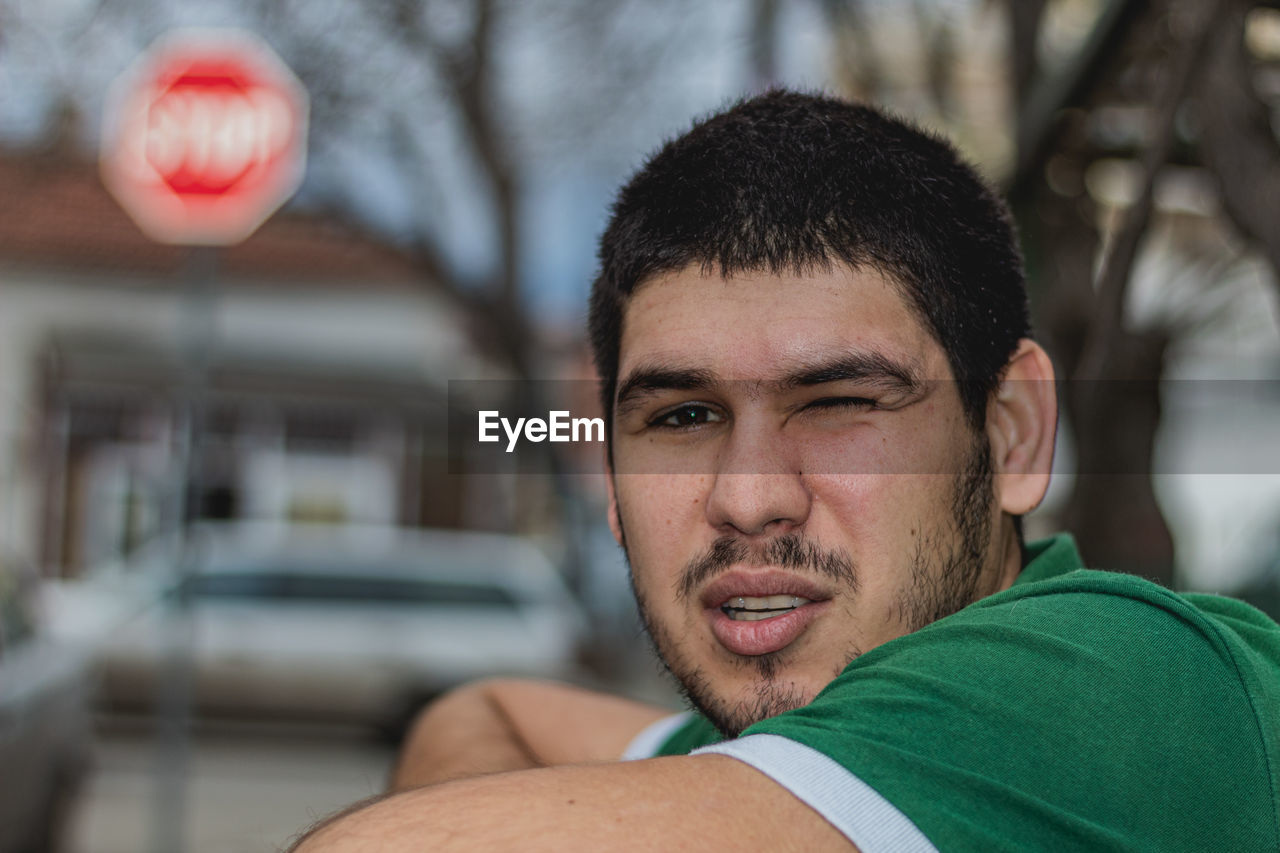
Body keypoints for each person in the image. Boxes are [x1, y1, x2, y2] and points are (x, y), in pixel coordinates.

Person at [291, 90, 1280, 852]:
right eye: (679, 416)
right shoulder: (787, 758)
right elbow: (481, 711)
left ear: (1012, 432)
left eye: (840, 403)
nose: (747, 494)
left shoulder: (1116, 679)